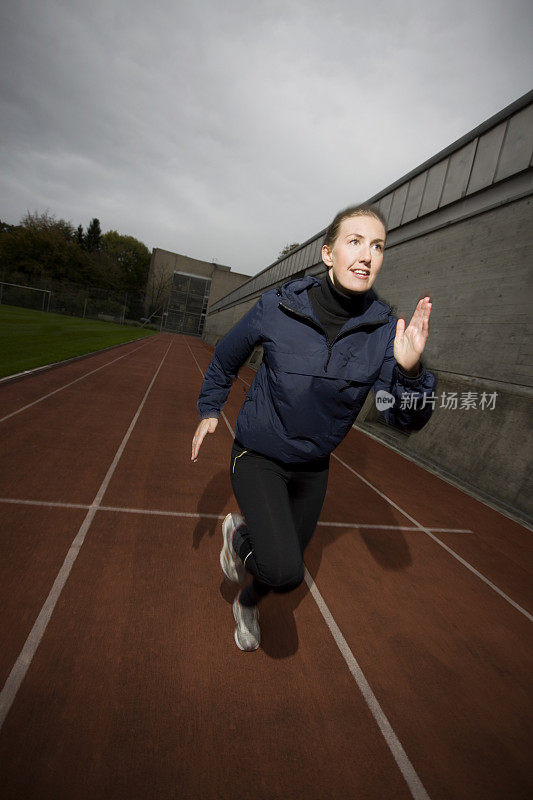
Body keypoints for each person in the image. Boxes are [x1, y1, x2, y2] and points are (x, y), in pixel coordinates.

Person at [191, 204, 436, 651]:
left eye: (377, 246)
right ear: (328, 254)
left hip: (312, 466)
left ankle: (247, 600)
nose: (367, 255)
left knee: (278, 571)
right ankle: (240, 535)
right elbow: (227, 356)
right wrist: (210, 407)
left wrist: (410, 372)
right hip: (259, 452)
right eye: (355, 242)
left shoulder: (385, 331)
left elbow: (403, 418)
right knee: (285, 569)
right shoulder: (278, 306)